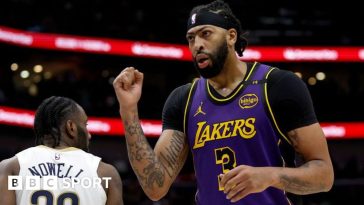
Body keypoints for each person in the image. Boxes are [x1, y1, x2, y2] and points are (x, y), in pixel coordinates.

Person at [112, 0, 334, 204]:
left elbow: (324, 176)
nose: (197, 44)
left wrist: (269, 175)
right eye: (191, 38)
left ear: (231, 36)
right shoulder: (183, 99)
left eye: (206, 33)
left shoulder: (277, 85)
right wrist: (128, 109)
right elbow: (155, 187)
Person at [0, 96, 123, 205]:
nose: (89, 135)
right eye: (85, 125)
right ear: (71, 127)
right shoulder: (106, 173)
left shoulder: (11, 167)